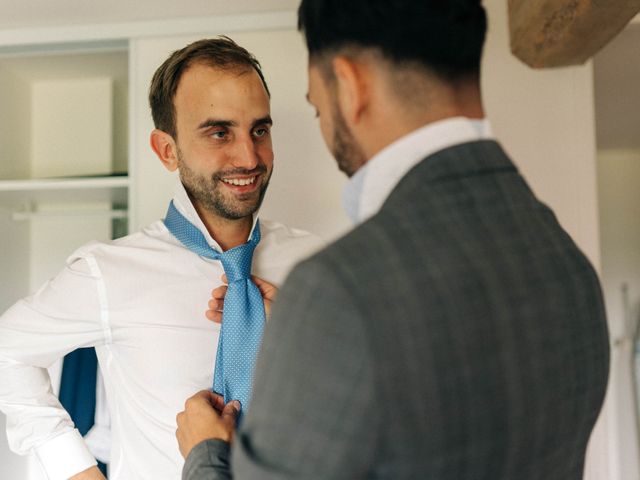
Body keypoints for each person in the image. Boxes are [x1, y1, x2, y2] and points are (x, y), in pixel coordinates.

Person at [175, 1, 610, 479]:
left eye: (318, 106)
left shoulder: (338, 289)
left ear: (350, 84)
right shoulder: (566, 260)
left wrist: (206, 453)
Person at [0, 37, 321, 480]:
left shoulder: (319, 264)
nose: (249, 156)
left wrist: (306, 339)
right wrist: (76, 470)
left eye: (259, 130)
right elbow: (7, 350)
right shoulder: (109, 272)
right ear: (166, 149)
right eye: (219, 132)